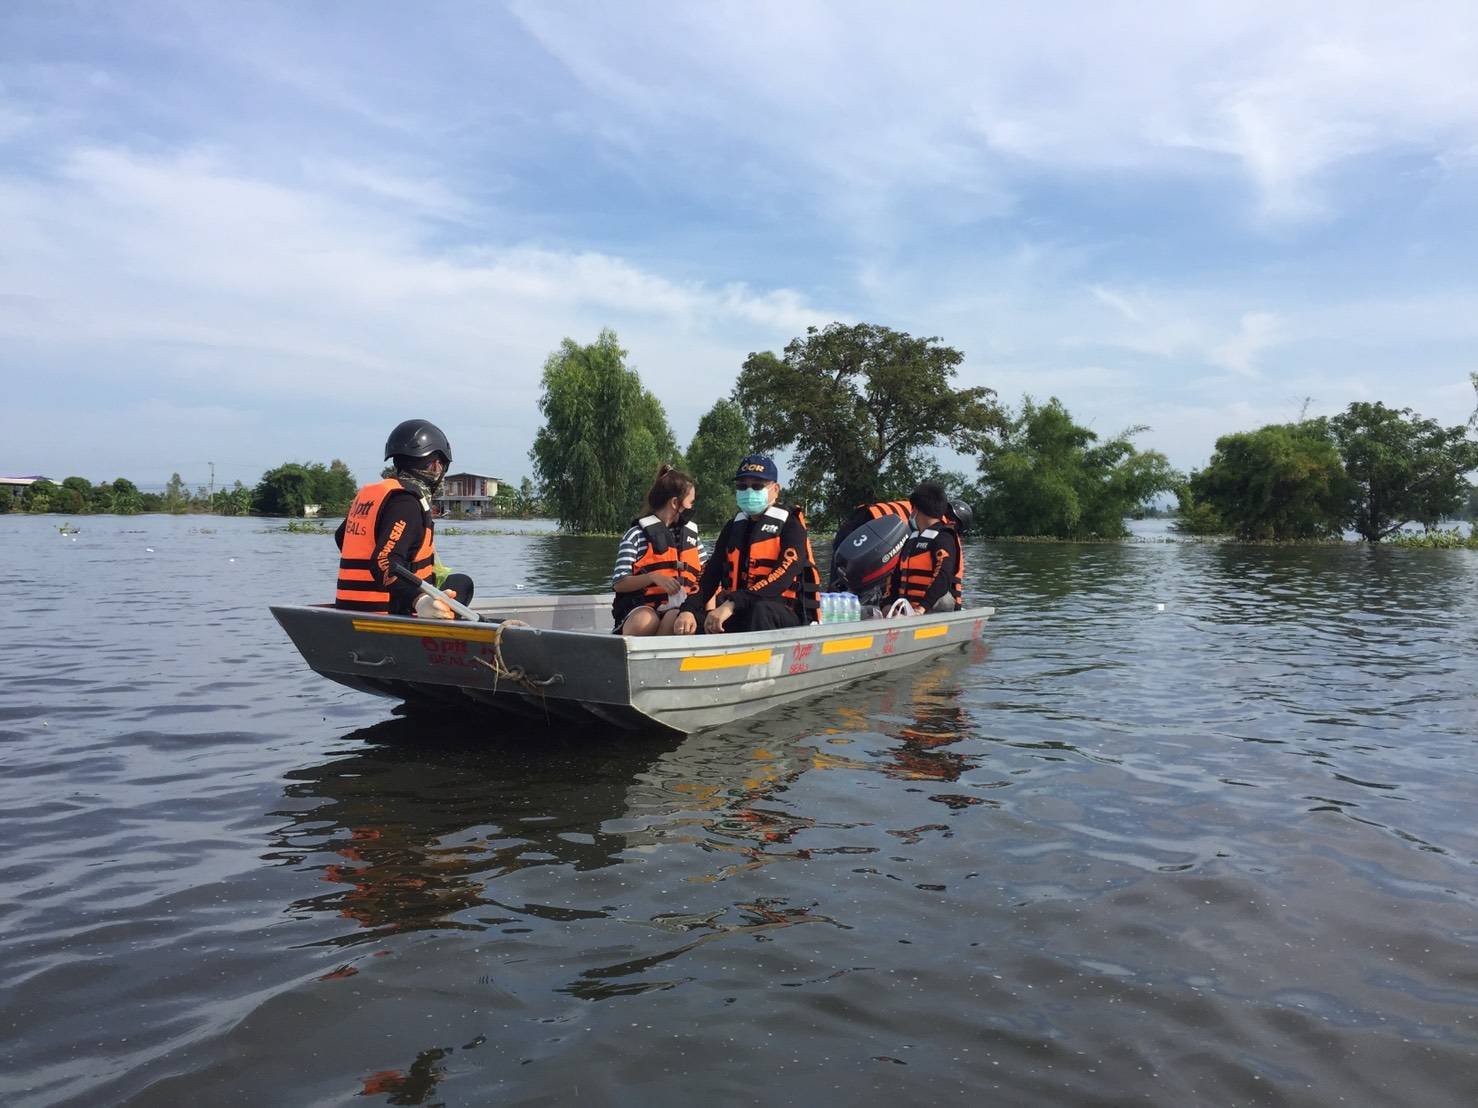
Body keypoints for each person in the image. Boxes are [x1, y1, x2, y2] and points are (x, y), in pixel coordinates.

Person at [334, 419, 473, 618]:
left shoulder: (375, 495)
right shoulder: (408, 503)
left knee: (455, 581)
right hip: (386, 611)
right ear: (436, 465)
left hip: (348, 607)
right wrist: (419, 600)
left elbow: (342, 537)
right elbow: (383, 561)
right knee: (462, 584)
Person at [674, 455, 820, 634]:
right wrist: (688, 609)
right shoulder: (733, 527)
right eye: (742, 486)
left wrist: (732, 603)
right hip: (740, 609)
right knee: (692, 621)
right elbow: (711, 573)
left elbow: (782, 577)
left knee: (761, 611)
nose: (749, 491)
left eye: (757, 486)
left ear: (775, 489)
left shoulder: (791, 526)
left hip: (784, 614)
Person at [611, 464, 708, 635]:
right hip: (641, 608)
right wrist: (653, 577)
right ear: (675, 503)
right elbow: (619, 583)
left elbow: (707, 577)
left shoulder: (692, 538)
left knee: (674, 618)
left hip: (681, 609)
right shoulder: (636, 535)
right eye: (690, 502)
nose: (692, 508)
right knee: (644, 620)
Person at [889, 480, 965, 613]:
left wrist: (921, 609)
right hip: (907, 610)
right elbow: (895, 577)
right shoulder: (911, 540)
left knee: (944, 600)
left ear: (916, 509)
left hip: (931, 609)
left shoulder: (944, 537)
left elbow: (943, 576)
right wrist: (888, 605)